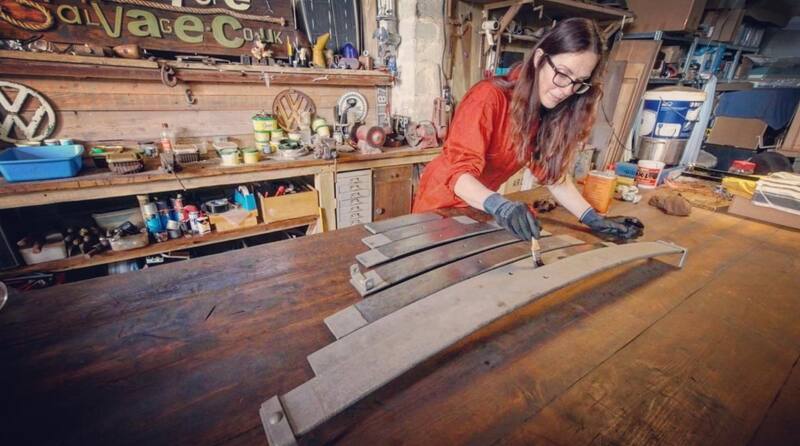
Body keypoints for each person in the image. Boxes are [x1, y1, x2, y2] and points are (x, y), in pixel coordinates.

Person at [413, 18, 644, 243]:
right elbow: (457, 176)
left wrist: (593, 219)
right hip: (438, 208)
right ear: (539, 59)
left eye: (579, 82)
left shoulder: (546, 112)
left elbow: (554, 178)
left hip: (477, 209)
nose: (567, 90)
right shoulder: (488, 98)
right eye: (563, 74)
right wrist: (500, 205)